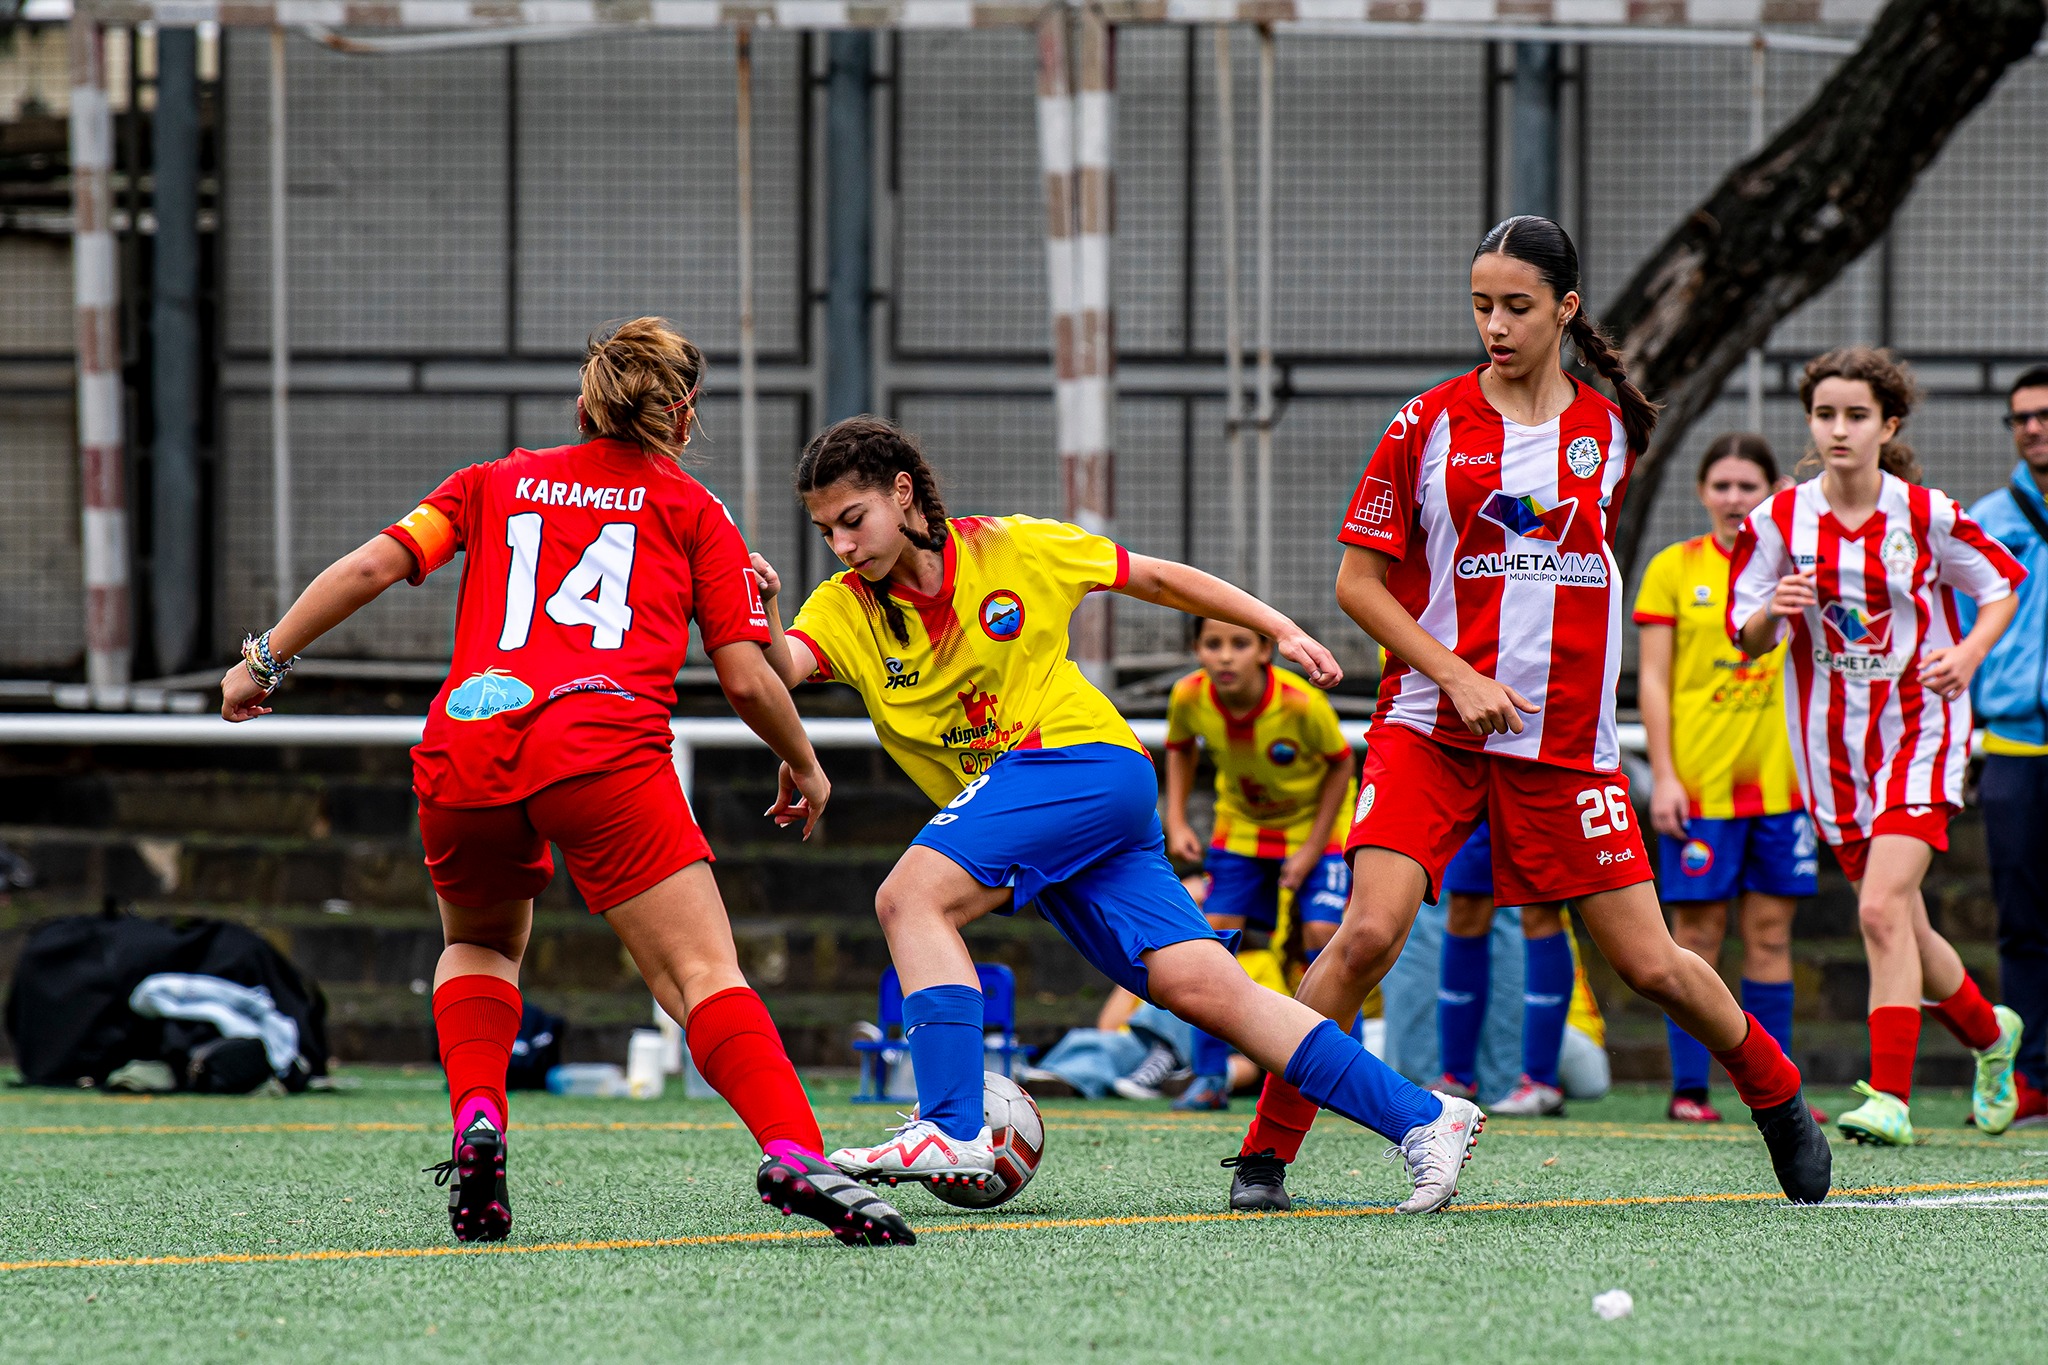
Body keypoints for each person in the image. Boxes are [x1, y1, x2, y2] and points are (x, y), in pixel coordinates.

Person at [219, 318, 912, 1247]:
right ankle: (794, 1151)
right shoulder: (695, 510)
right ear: (683, 414)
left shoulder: (492, 481)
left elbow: (375, 563)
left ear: (586, 402)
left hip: (467, 742)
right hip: (601, 748)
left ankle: (479, 1121)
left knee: (481, 947)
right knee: (702, 973)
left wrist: (263, 660)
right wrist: (806, 761)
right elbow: (750, 675)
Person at [1222, 215, 1832, 1214]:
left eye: (1513, 306)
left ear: (1563, 309)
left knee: (1650, 965)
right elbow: (1356, 584)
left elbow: (1576, 578)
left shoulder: (1604, 429)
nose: (1493, 325)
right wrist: (1456, 677)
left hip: (1561, 747)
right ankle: (1262, 1156)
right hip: (1428, 724)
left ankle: (1776, 1098)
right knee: (1363, 934)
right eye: (1478, 306)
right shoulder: (1423, 424)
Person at [757, 415, 1484, 1216]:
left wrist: (1275, 624)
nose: (843, 544)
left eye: (853, 520)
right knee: (1202, 986)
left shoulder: (1013, 547)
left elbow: (1161, 580)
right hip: (1055, 819)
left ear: (902, 493)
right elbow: (774, 671)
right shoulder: (842, 609)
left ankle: (954, 1121)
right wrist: (751, 617)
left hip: (1085, 762)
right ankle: (1425, 1117)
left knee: (909, 896)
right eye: (825, 531)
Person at [1731, 347, 2028, 1145]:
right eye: (1824, 414)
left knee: (1876, 908)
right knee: (1903, 921)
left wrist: (1966, 657)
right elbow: (1746, 631)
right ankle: (1990, 1035)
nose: (1838, 429)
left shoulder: (1924, 514)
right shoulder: (1776, 521)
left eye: (1856, 415)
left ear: (1887, 423)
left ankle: (1889, 1096)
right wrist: (1775, 612)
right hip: (1832, 754)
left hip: (1923, 732)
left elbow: (2000, 584)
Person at [1635, 434, 1819, 1124]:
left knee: (1771, 936)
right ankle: (1691, 1090)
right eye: (1724, 485)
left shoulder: (1799, 567)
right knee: (1695, 938)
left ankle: (1780, 1088)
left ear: (1771, 493)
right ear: (1702, 492)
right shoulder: (1672, 569)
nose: (1736, 499)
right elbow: (1652, 681)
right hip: (1702, 784)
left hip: (1786, 784)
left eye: (1750, 486)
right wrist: (1667, 776)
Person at [1162, 615, 1357, 1109]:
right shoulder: (1189, 696)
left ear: (1265, 652)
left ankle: (1340, 1072)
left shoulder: (1300, 703)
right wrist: (1178, 820)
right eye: (1213, 644)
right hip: (1243, 830)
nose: (1226, 656)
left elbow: (1341, 765)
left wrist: (1312, 850)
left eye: (1239, 644)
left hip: (1317, 828)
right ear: (1197, 650)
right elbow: (1180, 749)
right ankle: (1209, 1078)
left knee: (1321, 934)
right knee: (1211, 936)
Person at [1962, 364, 2048, 1128]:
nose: (2032, 427)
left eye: (2044, 414)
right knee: (2021, 918)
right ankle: (2031, 1078)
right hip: (2015, 743)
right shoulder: (1988, 518)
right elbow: (1958, 635)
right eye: (2020, 417)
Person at [1431, 823, 1606, 1116]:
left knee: (1540, 905)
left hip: (1535, 787)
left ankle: (1542, 1083)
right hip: (1477, 786)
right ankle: (1456, 1078)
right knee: (1464, 904)